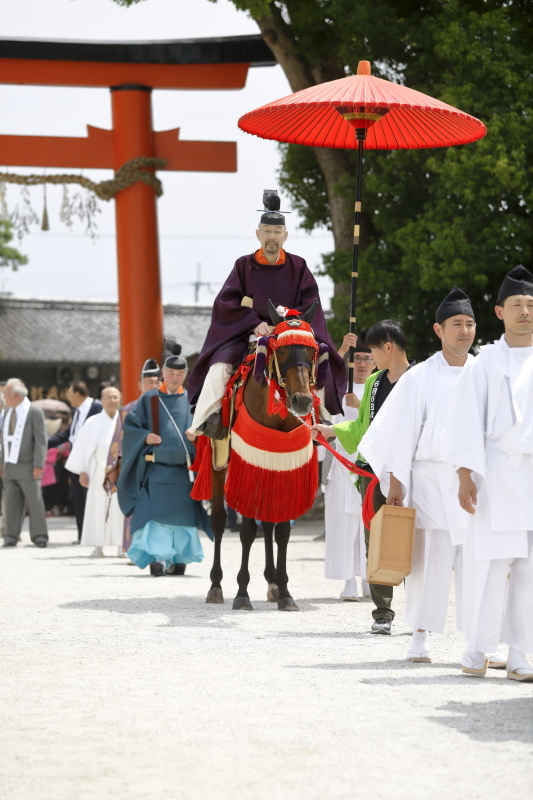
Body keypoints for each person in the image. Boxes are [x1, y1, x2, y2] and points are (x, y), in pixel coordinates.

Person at [358, 288, 476, 662]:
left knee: (480, 562)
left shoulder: (486, 373)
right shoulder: (420, 376)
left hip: (476, 481)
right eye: (457, 324)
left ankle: (479, 640)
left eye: (470, 324)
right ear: (439, 330)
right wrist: (395, 485)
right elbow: (398, 433)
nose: (465, 331)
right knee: (428, 560)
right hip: (427, 479)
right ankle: (420, 637)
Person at [188, 191, 346, 436]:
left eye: (276, 233)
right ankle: (209, 418)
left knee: (317, 363)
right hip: (249, 334)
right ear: (258, 234)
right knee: (220, 366)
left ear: (285, 235)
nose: (272, 238)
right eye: (267, 232)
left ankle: (322, 422)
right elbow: (226, 303)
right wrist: (252, 323)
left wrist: (289, 325)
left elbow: (310, 302)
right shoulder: (243, 265)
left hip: (291, 333)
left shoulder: (299, 266)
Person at [441, 266, 533, 681]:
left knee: (530, 571)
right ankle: (478, 648)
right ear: (499, 312)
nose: (526, 312)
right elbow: (464, 420)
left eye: (531, 305)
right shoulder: (484, 362)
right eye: (517, 305)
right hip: (494, 474)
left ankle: (521, 654)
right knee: (492, 567)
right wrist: (464, 475)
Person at [313, 320, 413, 634]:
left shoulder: (419, 379)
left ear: (388, 346)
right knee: (378, 540)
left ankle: (421, 610)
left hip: (414, 473)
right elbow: (361, 429)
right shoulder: (373, 382)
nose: (369, 357)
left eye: (371, 350)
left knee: (417, 541)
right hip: (374, 473)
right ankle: (383, 612)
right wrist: (331, 430)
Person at [117, 351, 212, 576]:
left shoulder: (192, 401)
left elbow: (208, 431)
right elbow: (130, 428)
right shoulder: (148, 399)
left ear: (185, 375)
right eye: (171, 373)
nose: (175, 377)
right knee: (155, 515)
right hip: (156, 469)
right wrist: (144, 437)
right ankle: (157, 558)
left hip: (183, 471)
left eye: (180, 373)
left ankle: (180, 559)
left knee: (183, 517)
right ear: (163, 373)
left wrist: (197, 437)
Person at [324, 330, 374, 600]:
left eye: (368, 358)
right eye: (358, 358)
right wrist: (341, 349)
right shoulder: (340, 385)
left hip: (370, 462)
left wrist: (364, 404)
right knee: (344, 522)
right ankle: (348, 581)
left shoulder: (380, 386)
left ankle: (369, 578)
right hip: (344, 461)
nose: (363, 364)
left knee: (368, 521)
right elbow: (319, 377)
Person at [105, 358, 161, 555]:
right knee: (135, 505)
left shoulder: (167, 408)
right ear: (140, 385)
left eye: (156, 382)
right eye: (149, 382)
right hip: (134, 466)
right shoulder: (126, 410)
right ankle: (132, 549)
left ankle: (157, 551)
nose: (153, 386)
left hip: (160, 465)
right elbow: (117, 442)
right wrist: (114, 466)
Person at [65, 386, 124, 556]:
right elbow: (82, 448)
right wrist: (82, 471)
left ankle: (122, 545)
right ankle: (98, 545)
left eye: (115, 397)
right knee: (97, 507)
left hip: (120, 469)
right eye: (108, 397)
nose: (112, 401)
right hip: (98, 469)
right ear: (102, 400)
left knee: (120, 509)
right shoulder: (92, 422)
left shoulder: (125, 419)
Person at [49, 382, 102, 542]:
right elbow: (69, 434)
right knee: (78, 499)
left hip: (90, 461)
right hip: (75, 460)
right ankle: (82, 536)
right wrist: (47, 442)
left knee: (90, 499)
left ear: (78, 394)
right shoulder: (76, 411)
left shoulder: (96, 407)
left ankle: (94, 537)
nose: (68, 397)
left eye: (70, 394)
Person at [0, 379, 48, 547]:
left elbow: (41, 440)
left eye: (6, 393)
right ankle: (10, 536)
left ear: (16, 396)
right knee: (11, 503)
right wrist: (1, 463)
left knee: (35, 502)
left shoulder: (34, 411)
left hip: (29, 465)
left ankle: (40, 536)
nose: (3, 396)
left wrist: (39, 464)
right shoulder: (7, 412)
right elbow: (3, 440)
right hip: (9, 465)